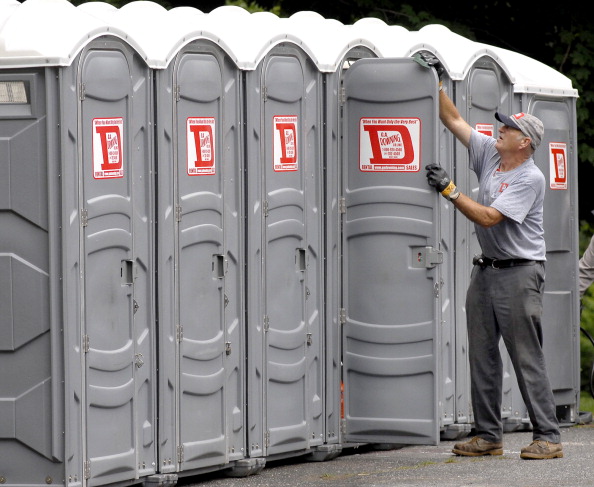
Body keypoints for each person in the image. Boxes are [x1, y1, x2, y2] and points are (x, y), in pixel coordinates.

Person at [420, 52, 562, 460]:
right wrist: (434, 80)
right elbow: (453, 120)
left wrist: (449, 190)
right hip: (487, 272)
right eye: (502, 125)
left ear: (525, 143)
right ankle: (488, 436)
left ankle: (548, 436)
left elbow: (487, 218)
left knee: (525, 356)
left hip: (520, 274)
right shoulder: (492, 155)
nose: (499, 129)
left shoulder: (529, 177)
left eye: (509, 128)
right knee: (481, 354)